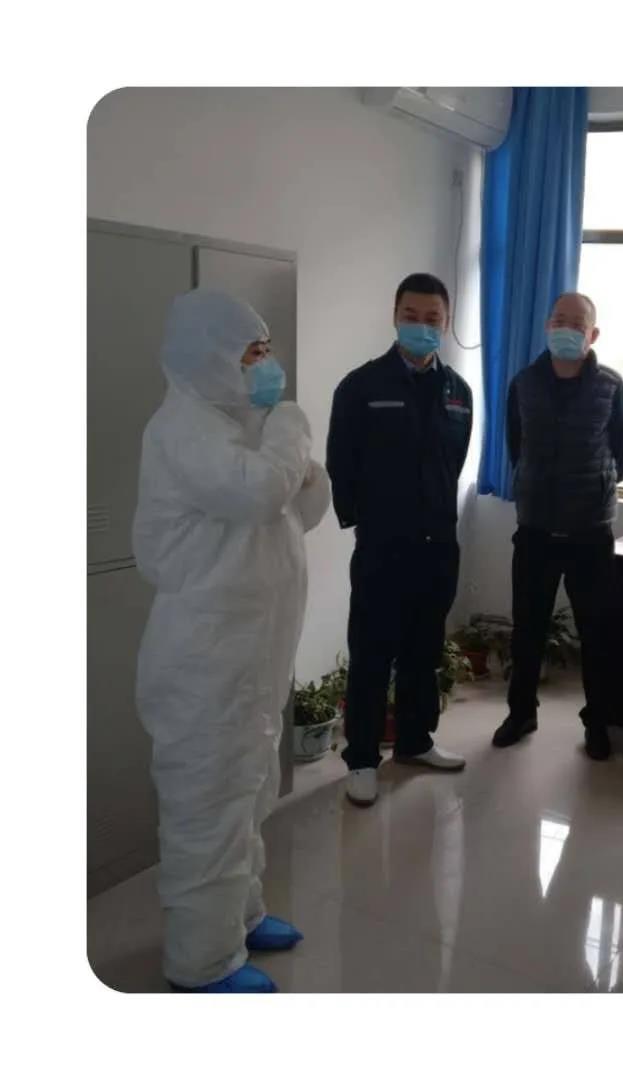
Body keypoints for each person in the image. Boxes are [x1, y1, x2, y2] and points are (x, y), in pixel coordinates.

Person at [133, 289, 331, 993]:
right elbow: (258, 493)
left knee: (248, 795)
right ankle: (201, 963)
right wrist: (293, 428)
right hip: (206, 664)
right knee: (208, 807)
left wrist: (294, 461)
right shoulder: (183, 428)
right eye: (252, 352)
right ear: (208, 355)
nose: (266, 364)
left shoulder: (242, 422)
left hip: (250, 658)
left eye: (267, 349)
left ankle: (240, 919)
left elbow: (298, 508)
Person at [328, 273, 473, 808]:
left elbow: (454, 461)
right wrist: (367, 520)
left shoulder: (459, 392)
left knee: (423, 650)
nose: (421, 326)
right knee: (372, 653)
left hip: (439, 545)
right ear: (395, 316)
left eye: (432, 318)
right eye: (411, 316)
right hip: (383, 547)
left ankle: (415, 741)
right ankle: (362, 759)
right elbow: (341, 463)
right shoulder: (361, 386)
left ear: (446, 323)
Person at [491, 292, 623, 760]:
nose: (566, 329)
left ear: (593, 334)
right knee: (527, 628)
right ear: (547, 326)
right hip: (535, 528)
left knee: (596, 631)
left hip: (589, 531)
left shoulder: (612, 387)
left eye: (577, 323)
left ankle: (597, 723)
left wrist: (592, 485)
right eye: (559, 320)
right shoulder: (524, 383)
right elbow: (516, 446)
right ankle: (521, 713)